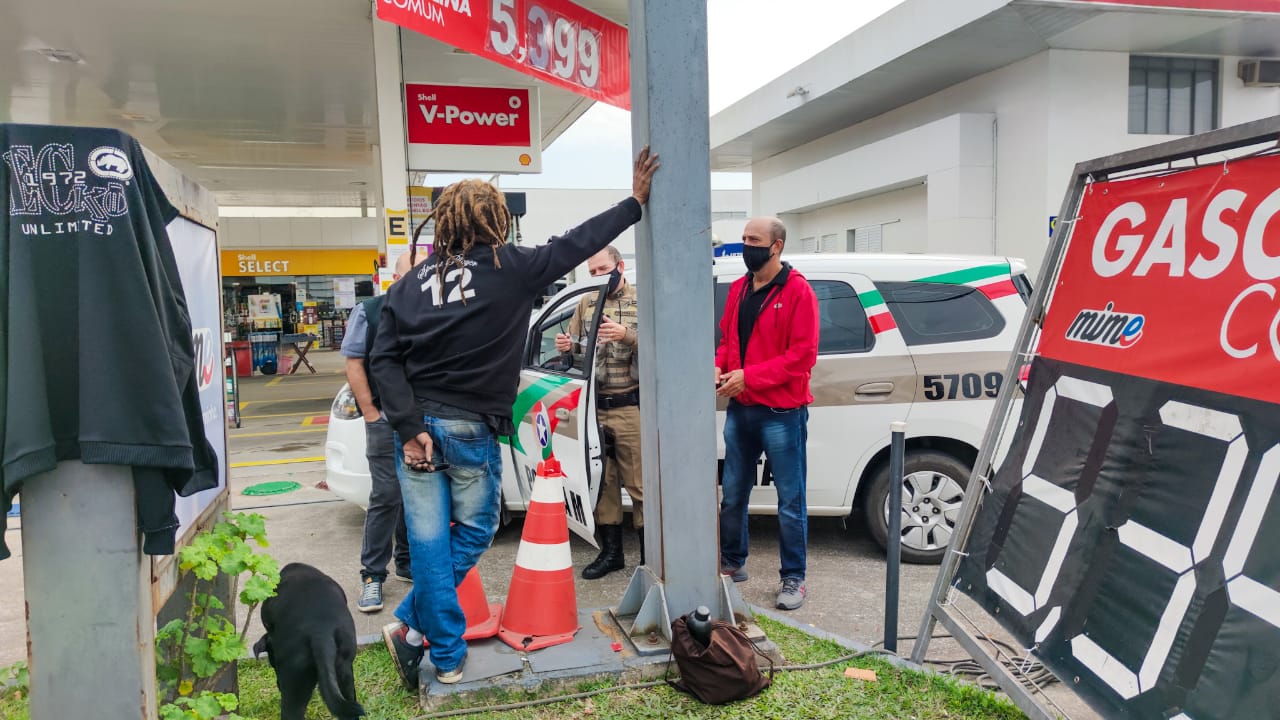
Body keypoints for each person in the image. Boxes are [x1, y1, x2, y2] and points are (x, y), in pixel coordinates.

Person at [371, 148, 659, 689]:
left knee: (430, 545)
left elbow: (382, 359)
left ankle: (430, 643)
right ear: (493, 220)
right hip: (465, 428)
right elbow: (575, 241)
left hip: (413, 433)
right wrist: (634, 202)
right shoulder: (511, 266)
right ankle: (420, 633)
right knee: (477, 530)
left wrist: (409, 428)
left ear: (448, 223)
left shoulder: (408, 285)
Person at [713, 217, 819, 611]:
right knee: (733, 493)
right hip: (742, 411)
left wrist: (749, 377)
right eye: (743, 239)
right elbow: (727, 339)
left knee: (790, 500)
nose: (745, 245)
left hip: (782, 413)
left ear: (776, 246)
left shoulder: (798, 292)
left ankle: (794, 578)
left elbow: (802, 357)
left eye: (753, 240)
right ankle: (732, 562)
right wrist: (719, 366)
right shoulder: (740, 288)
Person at [339, 252, 421, 613]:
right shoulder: (370, 310)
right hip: (385, 419)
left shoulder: (434, 310)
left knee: (415, 492)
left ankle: (405, 562)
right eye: (410, 275)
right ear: (395, 277)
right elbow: (355, 362)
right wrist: (371, 413)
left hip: (422, 421)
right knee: (387, 494)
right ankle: (372, 575)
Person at [554, 245, 643, 579]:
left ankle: (649, 559)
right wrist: (567, 346)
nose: (597, 276)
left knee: (639, 483)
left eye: (602, 269)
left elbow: (662, 345)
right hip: (594, 406)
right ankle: (612, 554)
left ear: (620, 265)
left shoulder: (641, 300)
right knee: (603, 482)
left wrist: (627, 335)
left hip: (629, 405)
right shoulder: (587, 303)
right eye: (592, 272)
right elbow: (576, 350)